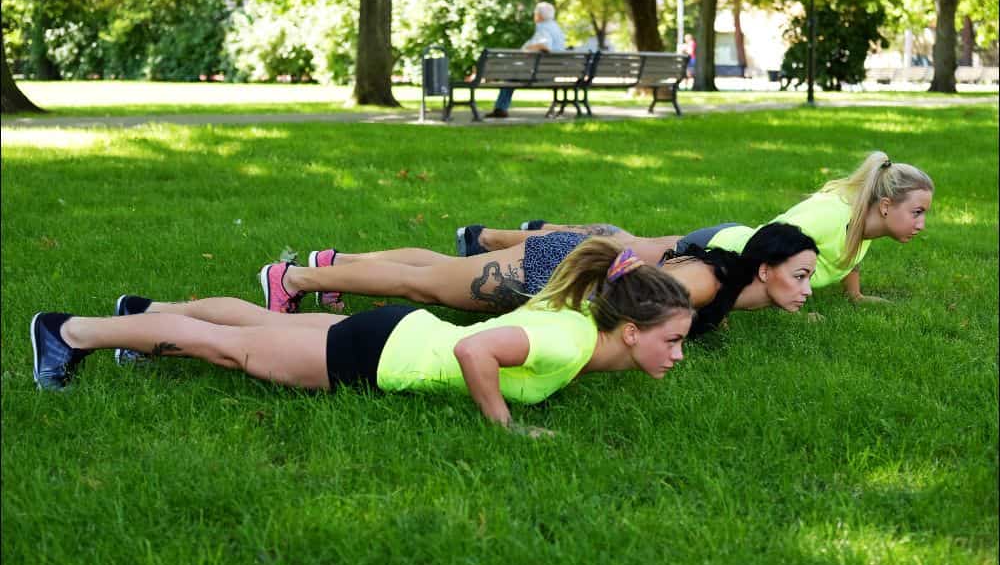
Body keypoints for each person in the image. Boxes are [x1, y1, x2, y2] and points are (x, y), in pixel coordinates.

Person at [30, 238, 693, 436]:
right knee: (228, 347)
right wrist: (504, 425)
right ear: (631, 331)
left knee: (261, 324)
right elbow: (475, 350)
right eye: (673, 340)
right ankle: (72, 332)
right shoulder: (571, 343)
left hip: (398, 331)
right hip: (378, 354)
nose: (680, 353)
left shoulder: (578, 317)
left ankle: (143, 312)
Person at [455, 151, 934, 303]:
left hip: (723, 242)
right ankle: (489, 239)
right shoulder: (831, 215)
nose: (922, 223)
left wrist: (854, 295)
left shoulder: (863, 223)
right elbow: (772, 243)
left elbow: (848, 256)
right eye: (917, 212)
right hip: (718, 250)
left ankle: (531, 229)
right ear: (885, 205)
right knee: (615, 253)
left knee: (626, 242)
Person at [259, 222, 817, 338]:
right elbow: (629, 298)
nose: (809, 287)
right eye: (801, 276)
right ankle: (294, 278)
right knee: (423, 285)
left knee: (434, 269)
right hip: (552, 271)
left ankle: (334, 263)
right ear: (764, 270)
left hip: (563, 261)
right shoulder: (706, 285)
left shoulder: (729, 284)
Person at [484, 1, 566, 119]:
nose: (534, 15)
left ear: (539, 15)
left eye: (535, 13)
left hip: (539, 73)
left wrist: (528, 48)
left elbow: (545, 46)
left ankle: (500, 108)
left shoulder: (544, 28)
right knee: (511, 75)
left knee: (510, 75)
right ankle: (500, 108)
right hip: (551, 72)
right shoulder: (556, 28)